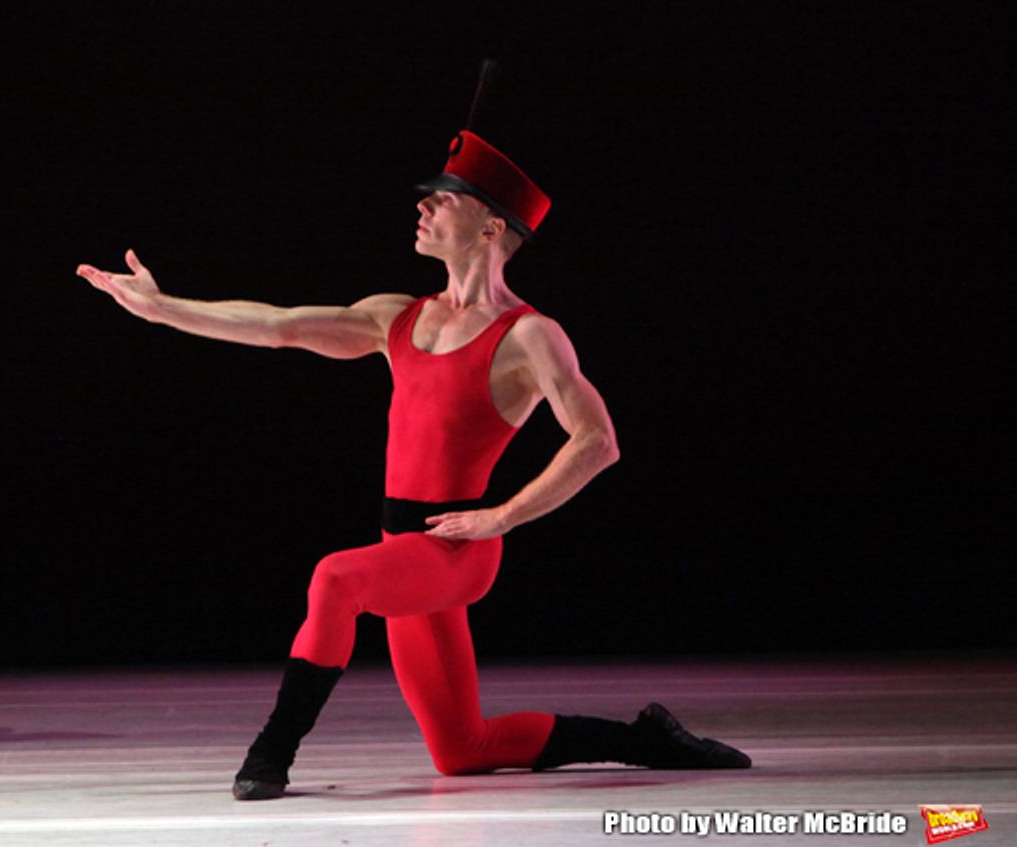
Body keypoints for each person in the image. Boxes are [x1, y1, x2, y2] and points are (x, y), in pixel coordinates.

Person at [76, 128, 751, 800]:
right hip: (403, 550)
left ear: (490, 228)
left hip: (456, 553)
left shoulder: (528, 335)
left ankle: (272, 750)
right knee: (462, 751)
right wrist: (163, 310)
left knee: (335, 579)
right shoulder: (395, 318)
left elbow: (597, 441)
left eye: (444, 200)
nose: (423, 207)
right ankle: (646, 738)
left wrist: (503, 517)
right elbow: (275, 326)